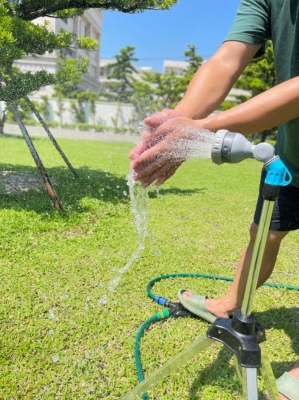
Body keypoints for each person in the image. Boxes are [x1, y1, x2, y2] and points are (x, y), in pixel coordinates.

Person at [129, 0, 299, 399]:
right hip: (295, 155)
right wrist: (177, 124)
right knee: (264, 234)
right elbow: (228, 58)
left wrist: (204, 129)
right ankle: (229, 302)